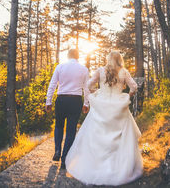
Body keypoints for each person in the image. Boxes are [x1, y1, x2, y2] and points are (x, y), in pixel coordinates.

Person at [65, 51, 143, 186]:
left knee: (97, 134)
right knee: (120, 136)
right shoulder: (124, 72)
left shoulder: (100, 71)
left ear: (108, 59)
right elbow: (134, 86)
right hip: (119, 105)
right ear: (120, 60)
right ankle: (119, 167)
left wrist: (97, 92)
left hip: (101, 105)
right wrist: (128, 96)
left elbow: (89, 85)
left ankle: (95, 165)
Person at [45, 48, 90, 170]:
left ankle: (57, 150)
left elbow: (52, 84)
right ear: (78, 56)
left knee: (59, 126)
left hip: (61, 99)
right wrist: (86, 103)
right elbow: (87, 88)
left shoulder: (60, 67)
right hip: (75, 101)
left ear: (68, 56)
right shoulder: (84, 69)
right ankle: (65, 158)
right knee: (71, 130)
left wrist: (48, 101)